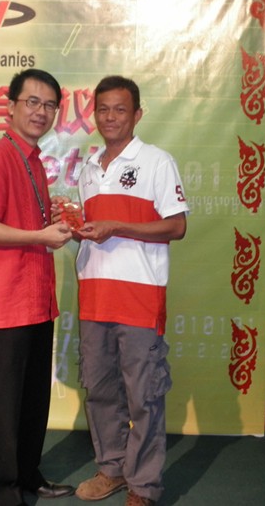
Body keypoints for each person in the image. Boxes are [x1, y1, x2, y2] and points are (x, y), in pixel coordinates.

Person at [0, 69, 75, 506]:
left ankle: (27, 476)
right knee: (2, 407)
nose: (41, 111)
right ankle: (1, 495)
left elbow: (20, 222)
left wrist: (51, 223)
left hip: (35, 299)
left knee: (32, 400)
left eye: (49, 105)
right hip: (3, 302)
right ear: (10, 106)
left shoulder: (34, 161)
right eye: (32, 102)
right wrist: (39, 235)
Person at [72, 75, 188, 506]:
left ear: (137, 114)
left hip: (139, 300)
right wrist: (75, 230)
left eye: (120, 109)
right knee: (101, 390)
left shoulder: (157, 161)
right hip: (94, 299)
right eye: (103, 109)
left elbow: (177, 226)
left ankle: (143, 486)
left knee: (144, 397)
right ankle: (112, 469)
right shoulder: (88, 168)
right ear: (94, 114)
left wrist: (118, 226)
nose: (111, 117)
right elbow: (95, 230)